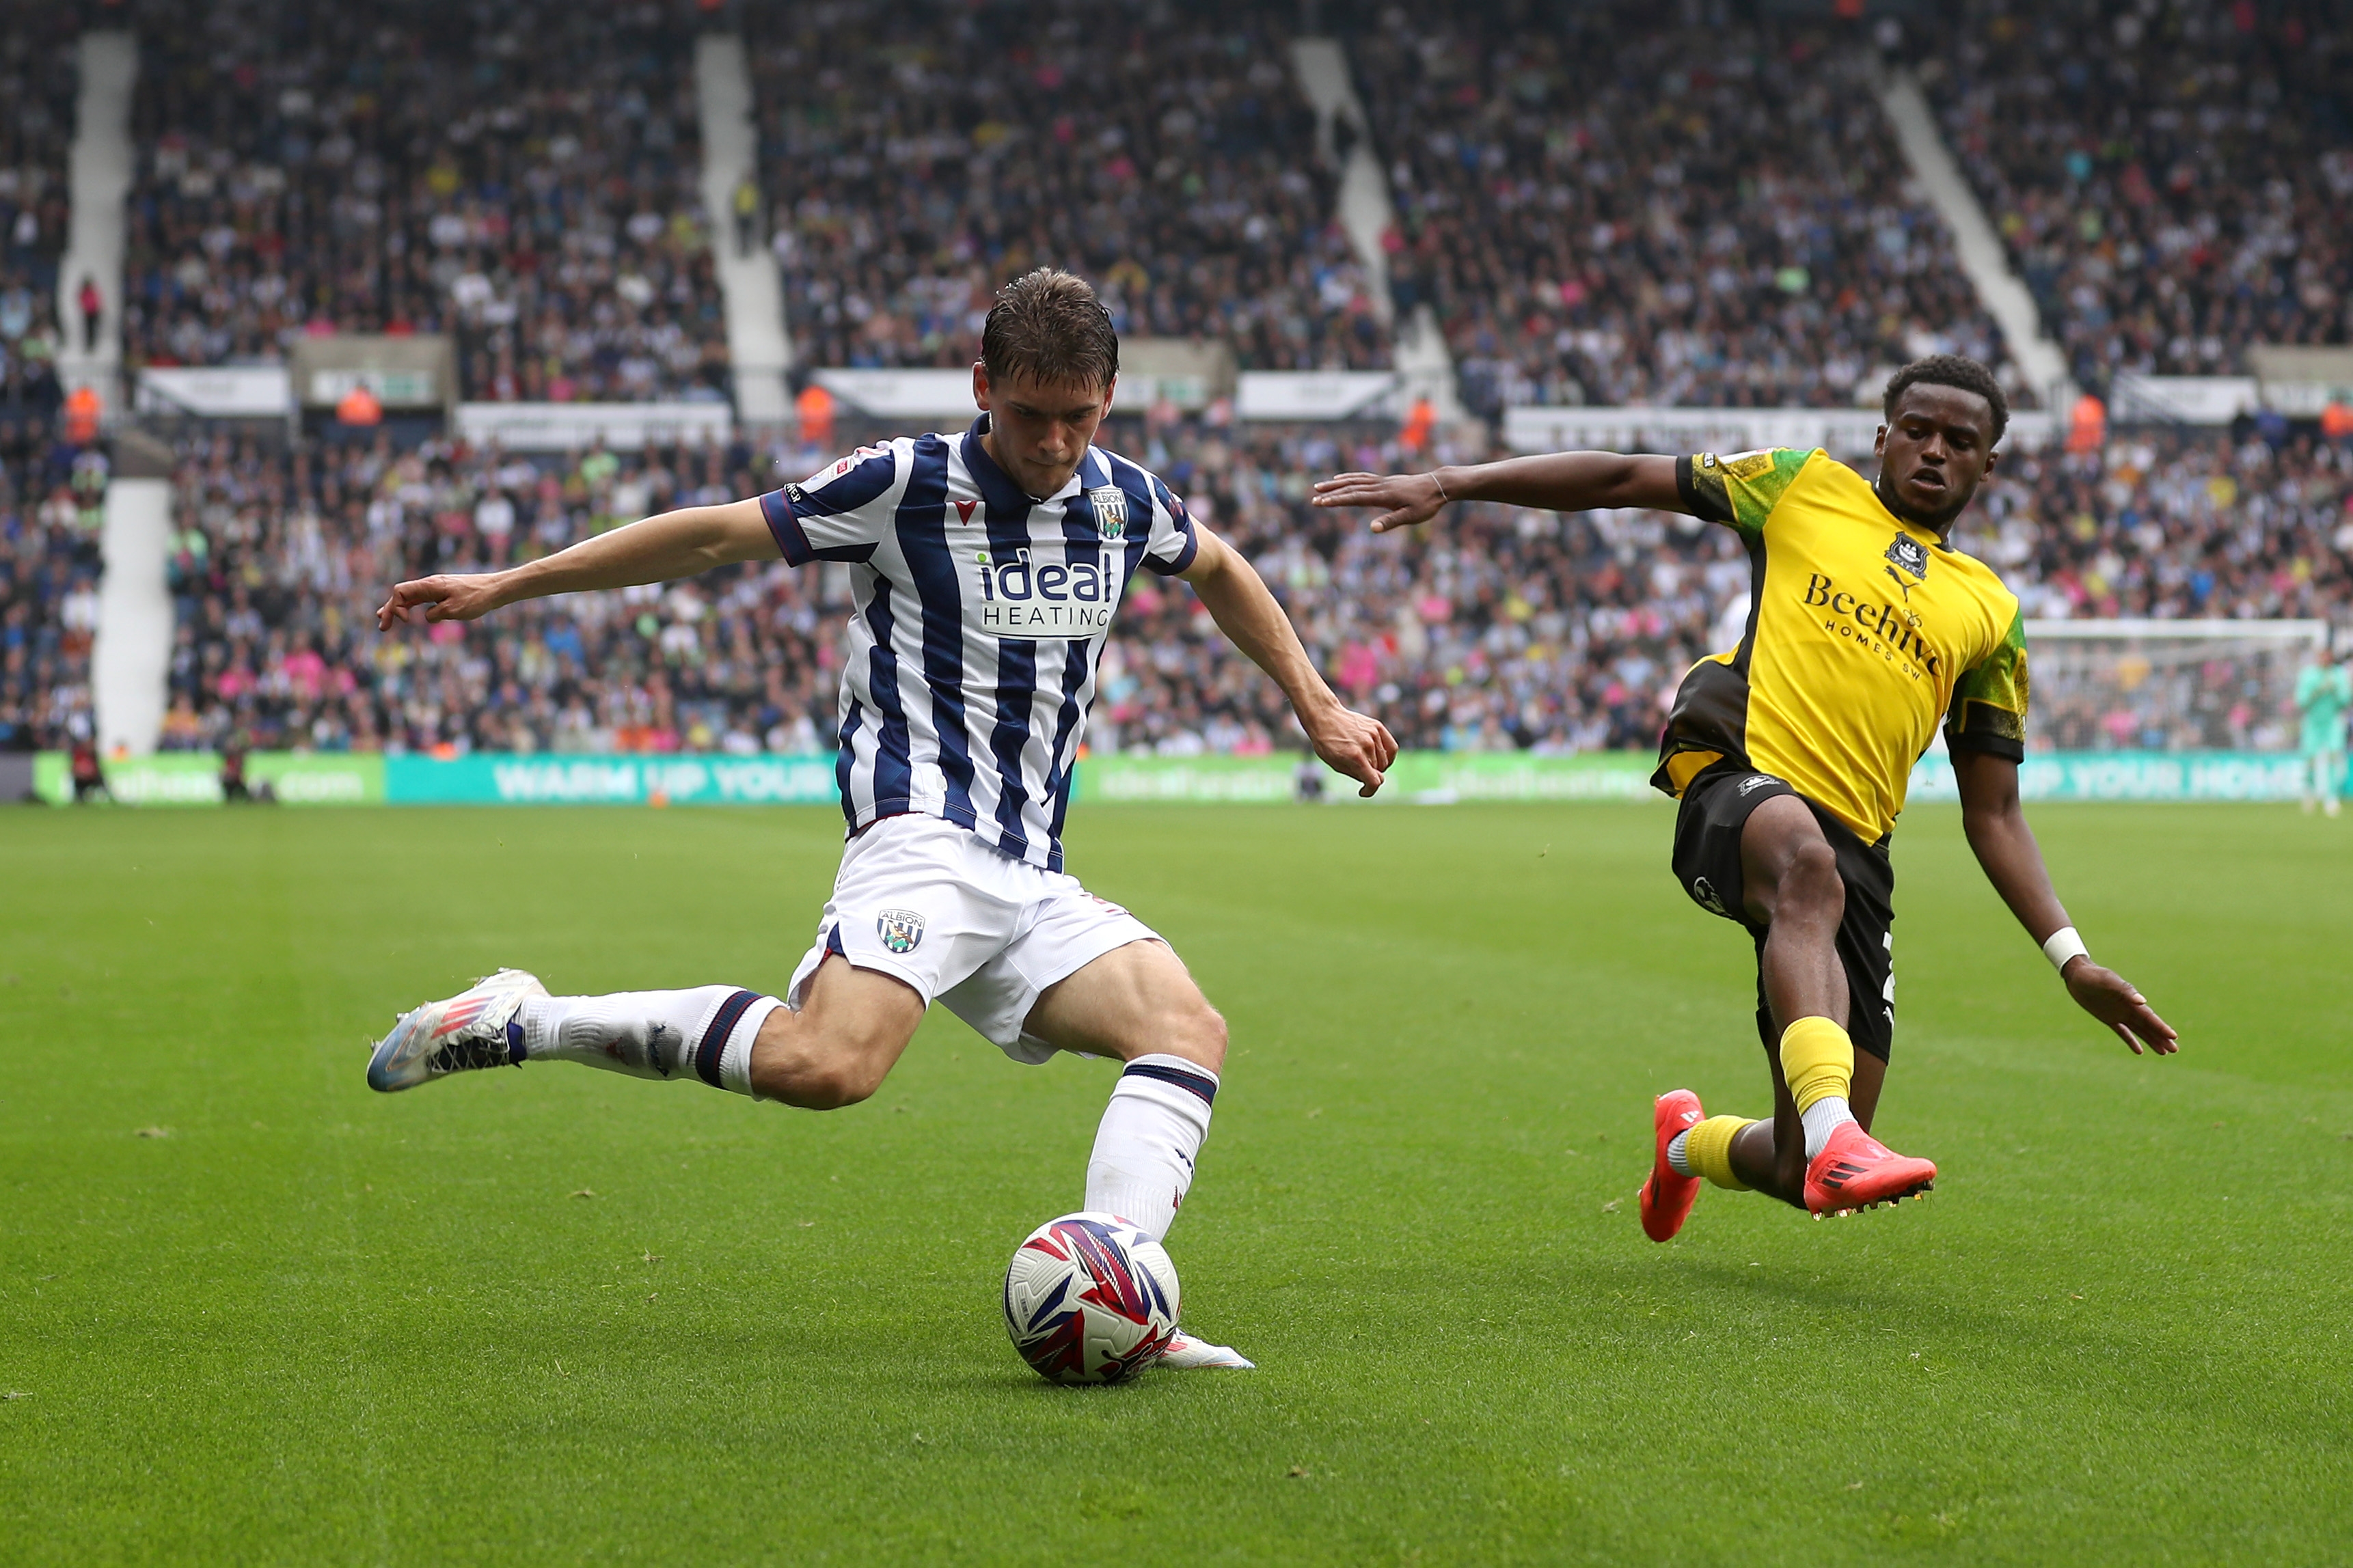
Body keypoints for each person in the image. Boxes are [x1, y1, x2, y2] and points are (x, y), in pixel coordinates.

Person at [366, 269, 1397, 1368]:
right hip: (919, 836)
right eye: (1028, 414)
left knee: (1184, 1029)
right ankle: (522, 1018)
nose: (1053, 441)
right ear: (982, 387)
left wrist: (1316, 701)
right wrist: (507, 584)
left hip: (1030, 869)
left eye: (1078, 417)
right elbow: (712, 537)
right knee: (829, 1066)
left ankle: (1118, 1285)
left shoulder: (1121, 497)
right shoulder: (905, 482)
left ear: (1107, 399)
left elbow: (1222, 567)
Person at [1314, 354, 2176, 1232]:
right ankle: (1835, 1128)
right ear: (1881, 437)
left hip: (1855, 849)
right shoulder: (1800, 486)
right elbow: (1621, 477)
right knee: (1805, 871)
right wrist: (1448, 482)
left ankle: (1689, 1144)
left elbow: (1992, 811)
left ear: (1987, 464)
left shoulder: (1990, 612)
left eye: (1959, 441)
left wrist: (2070, 960)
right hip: (1732, 771)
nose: (1931, 451)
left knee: (1798, 1171)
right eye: (1914, 430)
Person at [2294, 644, 2351, 817]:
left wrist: (2335, 690)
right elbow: (2301, 701)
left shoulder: (2339, 674)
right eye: (2322, 656)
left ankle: (2331, 797)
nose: (2325, 659)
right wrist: (2317, 691)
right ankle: (2309, 793)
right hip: (2313, 722)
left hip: (2333, 721)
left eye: (2328, 656)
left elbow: (2346, 700)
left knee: (2334, 756)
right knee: (2310, 759)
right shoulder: (2308, 675)